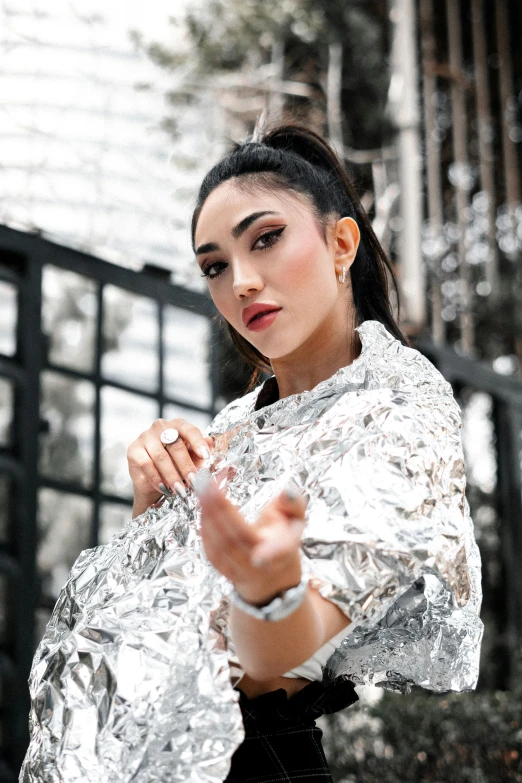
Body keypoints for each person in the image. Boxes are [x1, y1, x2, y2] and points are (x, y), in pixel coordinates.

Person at [20, 124, 483, 783]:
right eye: (214, 265)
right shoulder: (237, 423)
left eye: (266, 238)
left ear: (341, 242)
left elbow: (283, 655)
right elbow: (160, 621)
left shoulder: (397, 408)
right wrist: (153, 508)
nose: (240, 281)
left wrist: (271, 588)